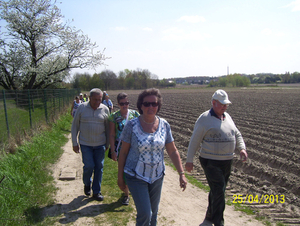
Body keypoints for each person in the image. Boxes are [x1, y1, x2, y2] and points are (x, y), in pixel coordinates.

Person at [118, 88, 187, 226]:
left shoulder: (164, 125)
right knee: (145, 213)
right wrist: (120, 177)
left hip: (157, 176)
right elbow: (123, 152)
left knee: (154, 214)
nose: (151, 107)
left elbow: (172, 151)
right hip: (135, 175)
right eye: (147, 103)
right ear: (141, 105)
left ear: (158, 105)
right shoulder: (131, 125)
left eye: (154, 104)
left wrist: (181, 173)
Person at [185, 89, 248, 226]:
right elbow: (195, 141)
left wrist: (242, 149)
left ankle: (209, 215)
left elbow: (237, 134)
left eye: (226, 104)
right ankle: (219, 222)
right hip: (210, 161)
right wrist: (189, 160)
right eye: (222, 104)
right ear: (214, 103)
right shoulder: (204, 119)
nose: (225, 107)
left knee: (217, 190)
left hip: (227, 161)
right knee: (219, 189)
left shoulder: (227, 117)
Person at [71, 88, 110, 201]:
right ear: (89, 98)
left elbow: (108, 129)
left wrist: (107, 143)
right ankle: (87, 183)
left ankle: (96, 191)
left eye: (99, 100)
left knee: (99, 167)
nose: (97, 102)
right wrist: (74, 143)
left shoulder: (105, 109)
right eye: (95, 100)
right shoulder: (82, 108)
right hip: (85, 144)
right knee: (89, 166)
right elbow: (75, 126)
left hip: (100, 144)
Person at [108, 92, 140, 205]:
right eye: (122, 103)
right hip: (121, 149)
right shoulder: (114, 117)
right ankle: (126, 195)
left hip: (134, 149)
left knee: (136, 170)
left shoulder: (135, 114)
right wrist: (113, 151)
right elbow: (111, 134)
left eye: (127, 103)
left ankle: (135, 191)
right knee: (123, 172)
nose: (125, 105)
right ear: (118, 103)